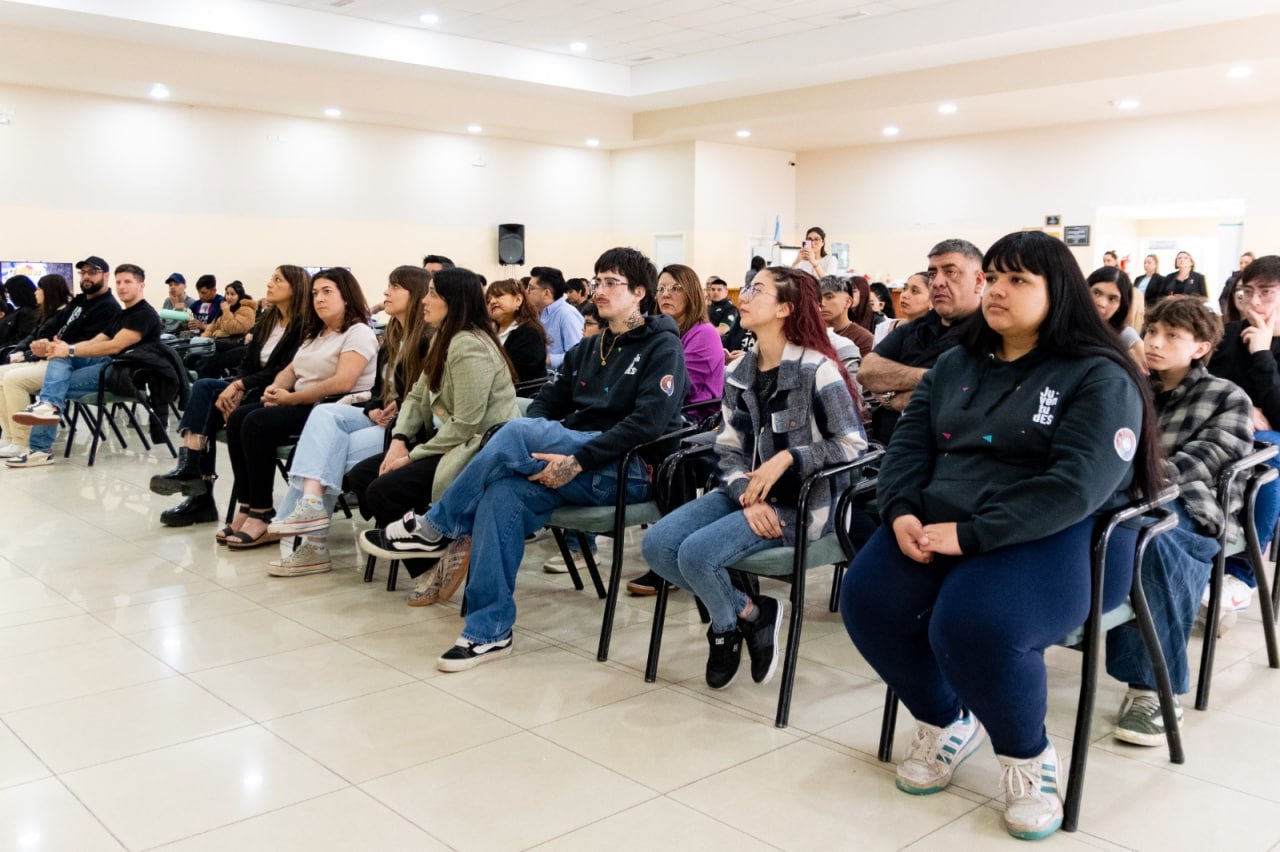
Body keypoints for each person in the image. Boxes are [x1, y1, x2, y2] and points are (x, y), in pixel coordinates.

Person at [841, 230, 1164, 841]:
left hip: (1063, 534)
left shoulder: (1098, 374)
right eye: (994, 277)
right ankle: (946, 721)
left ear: (1057, 291)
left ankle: (1027, 759)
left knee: (976, 625)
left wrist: (971, 535)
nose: (998, 290)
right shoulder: (956, 363)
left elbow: (1075, 486)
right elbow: (907, 449)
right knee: (868, 600)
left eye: (1019, 280)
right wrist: (901, 510)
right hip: (940, 524)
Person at [359, 246, 688, 671]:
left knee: (514, 431)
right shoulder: (589, 348)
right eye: (598, 280)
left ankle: (435, 526)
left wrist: (577, 458)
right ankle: (489, 631)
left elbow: (647, 425)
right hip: (571, 456)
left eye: (612, 283)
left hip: (629, 469)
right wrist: (547, 447)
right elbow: (544, 405)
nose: (600, 290)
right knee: (503, 493)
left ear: (640, 292)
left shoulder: (662, 346)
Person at [642, 266, 866, 689]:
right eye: (745, 288)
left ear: (785, 308)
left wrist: (788, 460)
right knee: (657, 545)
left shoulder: (817, 369)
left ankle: (724, 631)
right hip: (747, 494)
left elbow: (854, 446)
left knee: (695, 554)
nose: (742, 296)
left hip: (802, 503)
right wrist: (745, 488)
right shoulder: (741, 370)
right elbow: (727, 446)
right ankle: (750, 614)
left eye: (756, 290)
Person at [1106, 296, 1251, 744]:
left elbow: (1201, 462)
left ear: (1201, 347)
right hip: (1121, 497)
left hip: (1189, 507)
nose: (1155, 343)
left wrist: (1124, 478)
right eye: (1152, 332)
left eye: (1172, 336)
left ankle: (1153, 688)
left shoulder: (1227, 397)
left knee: (1152, 535)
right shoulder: (1126, 387)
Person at [342, 268, 520, 602]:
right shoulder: (443, 336)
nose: (425, 299)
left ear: (455, 302)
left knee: (385, 489)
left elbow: (467, 424)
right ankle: (435, 556)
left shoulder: (469, 345)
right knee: (362, 477)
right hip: (450, 441)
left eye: (434, 293)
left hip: (478, 449)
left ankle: (432, 555)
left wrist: (410, 456)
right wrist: (399, 440)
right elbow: (416, 396)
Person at [263, 265, 433, 575]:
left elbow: (425, 399)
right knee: (325, 419)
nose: (385, 293)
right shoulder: (393, 338)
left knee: (326, 448)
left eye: (395, 287)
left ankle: (312, 540)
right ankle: (311, 513)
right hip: (382, 421)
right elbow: (380, 392)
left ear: (417, 294)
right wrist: (376, 407)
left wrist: (397, 410)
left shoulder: (426, 341)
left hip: (409, 432)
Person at [220, 268, 377, 547]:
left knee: (256, 423)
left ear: (347, 296)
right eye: (316, 293)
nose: (319, 299)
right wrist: (274, 389)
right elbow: (291, 370)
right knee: (239, 418)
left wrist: (289, 398)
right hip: (303, 403)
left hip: (332, 409)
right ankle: (246, 505)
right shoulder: (316, 333)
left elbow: (344, 381)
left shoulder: (359, 332)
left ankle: (261, 511)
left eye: (327, 292)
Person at [149, 265, 311, 526]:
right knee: (203, 389)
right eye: (271, 278)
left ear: (296, 288)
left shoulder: (304, 326)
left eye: (277, 280)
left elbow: (282, 372)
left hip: (277, 392)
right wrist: (238, 384)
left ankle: (202, 497)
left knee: (210, 411)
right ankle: (191, 468)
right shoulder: (268, 320)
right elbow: (248, 360)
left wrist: (239, 387)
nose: (269, 284)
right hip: (251, 386)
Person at [622, 263, 727, 593]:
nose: (666, 294)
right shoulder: (657, 332)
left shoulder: (703, 333)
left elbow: (678, 387)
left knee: (670, 454)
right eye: (662, 289)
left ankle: (669, 559)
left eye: (674, 288)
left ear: (691, 293)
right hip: (663, 414)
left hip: (695, 422)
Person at [10, 264, 161, 468]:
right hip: (109, 365)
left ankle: (41, 445)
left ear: (141, 285)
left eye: (128, 282)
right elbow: (96, 341)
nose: (122, 287)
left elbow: (113, 346)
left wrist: (69, 350)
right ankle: (47, 414)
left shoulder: (143, 314)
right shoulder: (122, 314)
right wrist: (64, 348)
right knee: (58, 361)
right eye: (119, 282)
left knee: (54, 385)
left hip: (122, 373)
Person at [1207, 254, 1280, 617]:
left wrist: (1263, 352)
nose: (1253, 302)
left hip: (1267, 445)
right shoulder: (1229, 334)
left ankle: (1242, 574)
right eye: (1246, 292)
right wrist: (1242, 406)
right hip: (1224, 430)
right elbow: (1208, 387)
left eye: (1265, 293)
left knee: (1269, 451)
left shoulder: (1260, 344)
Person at [859, 239, 985, 444]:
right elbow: (867, 372)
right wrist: (937, 379)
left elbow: (969, 395)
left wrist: (894, 392)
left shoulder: (990, 331)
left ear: (978, 281)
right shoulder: (918, 326)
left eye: (950, 272)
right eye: (933, 273)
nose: (937, 282)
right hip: (891, 444)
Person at [0, 274, 73, 459]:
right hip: (40, 358)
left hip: (57, 363)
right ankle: (9, 436)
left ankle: (22, 440)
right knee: (1, 373)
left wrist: (26, 355)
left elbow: (49, 343)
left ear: (48, 291)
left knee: (12, 380)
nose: (36, 292)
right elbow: (32, 337)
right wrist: (19, 351)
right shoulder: (46, 313)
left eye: (39, 288)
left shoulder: (64, 315)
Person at [486, 277, 548, 384]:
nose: (492, 302)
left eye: (498, 296)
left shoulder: (529, 333)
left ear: (518, 300)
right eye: (488, 300)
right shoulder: (488, 332)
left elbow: (515, 373)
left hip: (521, 393)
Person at [528, 265, 584, 370]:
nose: (527, 292)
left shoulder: (567, 315)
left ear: (546, 293)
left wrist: (547, 359)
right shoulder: (538, 313)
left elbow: (579, 355)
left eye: (531, 288)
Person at [1088, 266, 1146, 368]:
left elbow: (1144, 366)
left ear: (1120, 306)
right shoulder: (1064, 323)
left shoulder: (1123, 334)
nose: (1101, 303)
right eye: (1096, 293)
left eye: (1112, 299)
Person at [818, 276, 874, 356]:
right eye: (818, 298)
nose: (821, 303)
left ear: (848, 302)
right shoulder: (811, 334)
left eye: (829, 297)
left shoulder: (864, 339)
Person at [874, 272, 932, 345]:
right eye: (904, 289)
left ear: (932, 300)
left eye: (914, 291)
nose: (904, 295)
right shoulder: (883, 328)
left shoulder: (936, 335)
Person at [706, 277, 747, 355]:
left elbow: (722, 330)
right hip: (706, 343)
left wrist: (700, 335)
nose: (715, 292)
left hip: (720, 348)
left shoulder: (731, 309)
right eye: (713, 289)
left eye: (719, 289)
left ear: (726, 291)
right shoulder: (707, 307)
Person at [0, 276, 38, 349]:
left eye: (9, 293)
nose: (9, 297)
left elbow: (20, 339)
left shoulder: (27, 313)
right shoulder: (21, 311)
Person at [1219, 251, 1255, 316]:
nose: (1243, 265)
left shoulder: (1256, 280)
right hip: (1233, 315)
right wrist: (1226, 310)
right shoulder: (1231, 280)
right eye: (1241, 263)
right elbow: (1223, 298)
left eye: (1246, 263)